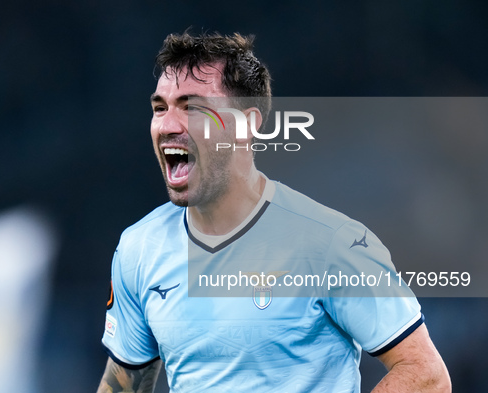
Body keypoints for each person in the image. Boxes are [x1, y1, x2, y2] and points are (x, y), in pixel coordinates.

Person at [97, 31, 451, 393]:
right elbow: (122, 384)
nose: (169, 125)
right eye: (160, 108)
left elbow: (427, 376)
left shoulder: (331, 242)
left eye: (192, 107)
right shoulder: (139, 248)